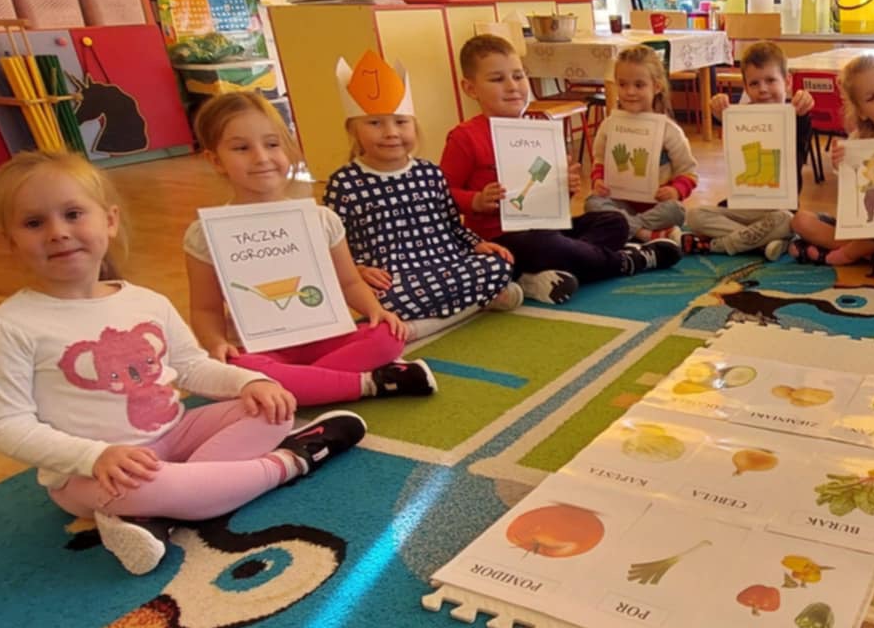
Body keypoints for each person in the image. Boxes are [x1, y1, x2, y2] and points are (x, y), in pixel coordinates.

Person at [0, 151, 366, 575]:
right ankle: (294, 460)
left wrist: (250, 382)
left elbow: (191, 366)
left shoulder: (146, 301)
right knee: (153, 485)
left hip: (175, 435)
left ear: (110, 220)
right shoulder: (7, 326)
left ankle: (164, 511)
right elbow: (5, 424)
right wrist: (94, 456)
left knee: (272, 409)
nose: (58, 233)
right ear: (11, 240)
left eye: (73, 214)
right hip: (92, 474)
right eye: (34, 223)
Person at [185, 93, 436, 404]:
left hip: (327, 336)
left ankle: (301, 385)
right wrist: (215, 343)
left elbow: (349, 282)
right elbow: (206, 309)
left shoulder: (321, 219)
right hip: (259, 348)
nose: (261, 157)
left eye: (272, 144)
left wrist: (376, 310)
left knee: (388, 336)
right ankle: (368, 384)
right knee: (238, 367)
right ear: (215, 160)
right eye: (241, 148)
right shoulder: (205, 234)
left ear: (289, 149)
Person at [441, 35, 679, 304]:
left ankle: (548, 271)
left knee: (615, 222)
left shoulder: (537, 129)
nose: (513, 87)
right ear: (470, 88)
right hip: (501, 239)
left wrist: (565, 188)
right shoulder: (465, 137)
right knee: (543, 246)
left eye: (519, 76)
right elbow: (441, 196)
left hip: (547, 229)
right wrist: (476, 200)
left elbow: (548, 200)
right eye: (497, 79)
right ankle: (628, 261)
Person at [321, 50, 522, 323]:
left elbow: (452, 226)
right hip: (392, 276)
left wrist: (477, 244)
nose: (391, 132)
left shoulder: (429, 173)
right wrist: (358, 270)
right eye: (375, 123)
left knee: (499, 263)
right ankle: (474, 303)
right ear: (353, 130)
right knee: (386, 296)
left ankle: (436, 315)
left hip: (444, 261)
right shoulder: (343, 184)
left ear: (413, 126)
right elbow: (336, 244)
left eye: (401, 122)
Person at [786, 53, 874, 274]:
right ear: (861, 112)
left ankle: (845, 254)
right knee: (799, 221)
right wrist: (841, 165)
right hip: (863, 226)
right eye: (870, 98)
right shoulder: (857, 143)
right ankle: (869, 253)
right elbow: (852, 202)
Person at [685, 41, 816, 258]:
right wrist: (720, 111)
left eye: (771, 80)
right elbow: (725, 122)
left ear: (787, 82)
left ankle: (722, 244)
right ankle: (761, 243)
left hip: (778, 209)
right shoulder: (740, 118)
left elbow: (804, 121)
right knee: (694, 217)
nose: (763, 89)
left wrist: (804, 105)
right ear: (746, 88)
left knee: (787, 221)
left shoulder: (796, 117)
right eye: (754, 83)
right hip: (742, 207)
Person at [587, 45, 697, 242]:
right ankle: (645, 234)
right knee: (592, 203)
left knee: (676, 211)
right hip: (620, 203)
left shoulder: (669, 131)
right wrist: (598, 181)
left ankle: (624, 228)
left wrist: (675, 190)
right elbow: (599, 161)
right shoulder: (609, 126)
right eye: (623, 84)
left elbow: (689, 172)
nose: (630, 92)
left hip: (657, 206)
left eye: (639, 85)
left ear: (657, 86)